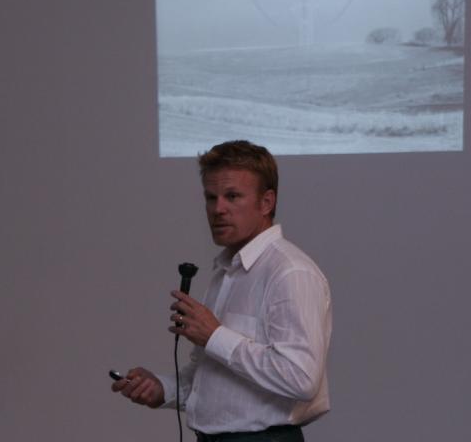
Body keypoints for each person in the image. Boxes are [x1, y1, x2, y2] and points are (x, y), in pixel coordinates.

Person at [112, 140, 331, 441]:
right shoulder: (226, 272)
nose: (218, 209)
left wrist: (215, 336)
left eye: (232, 196)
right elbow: (215, 379)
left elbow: (301, 378)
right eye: (210, 197)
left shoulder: (290, 272)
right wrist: (162, 390)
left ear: (266, 203)